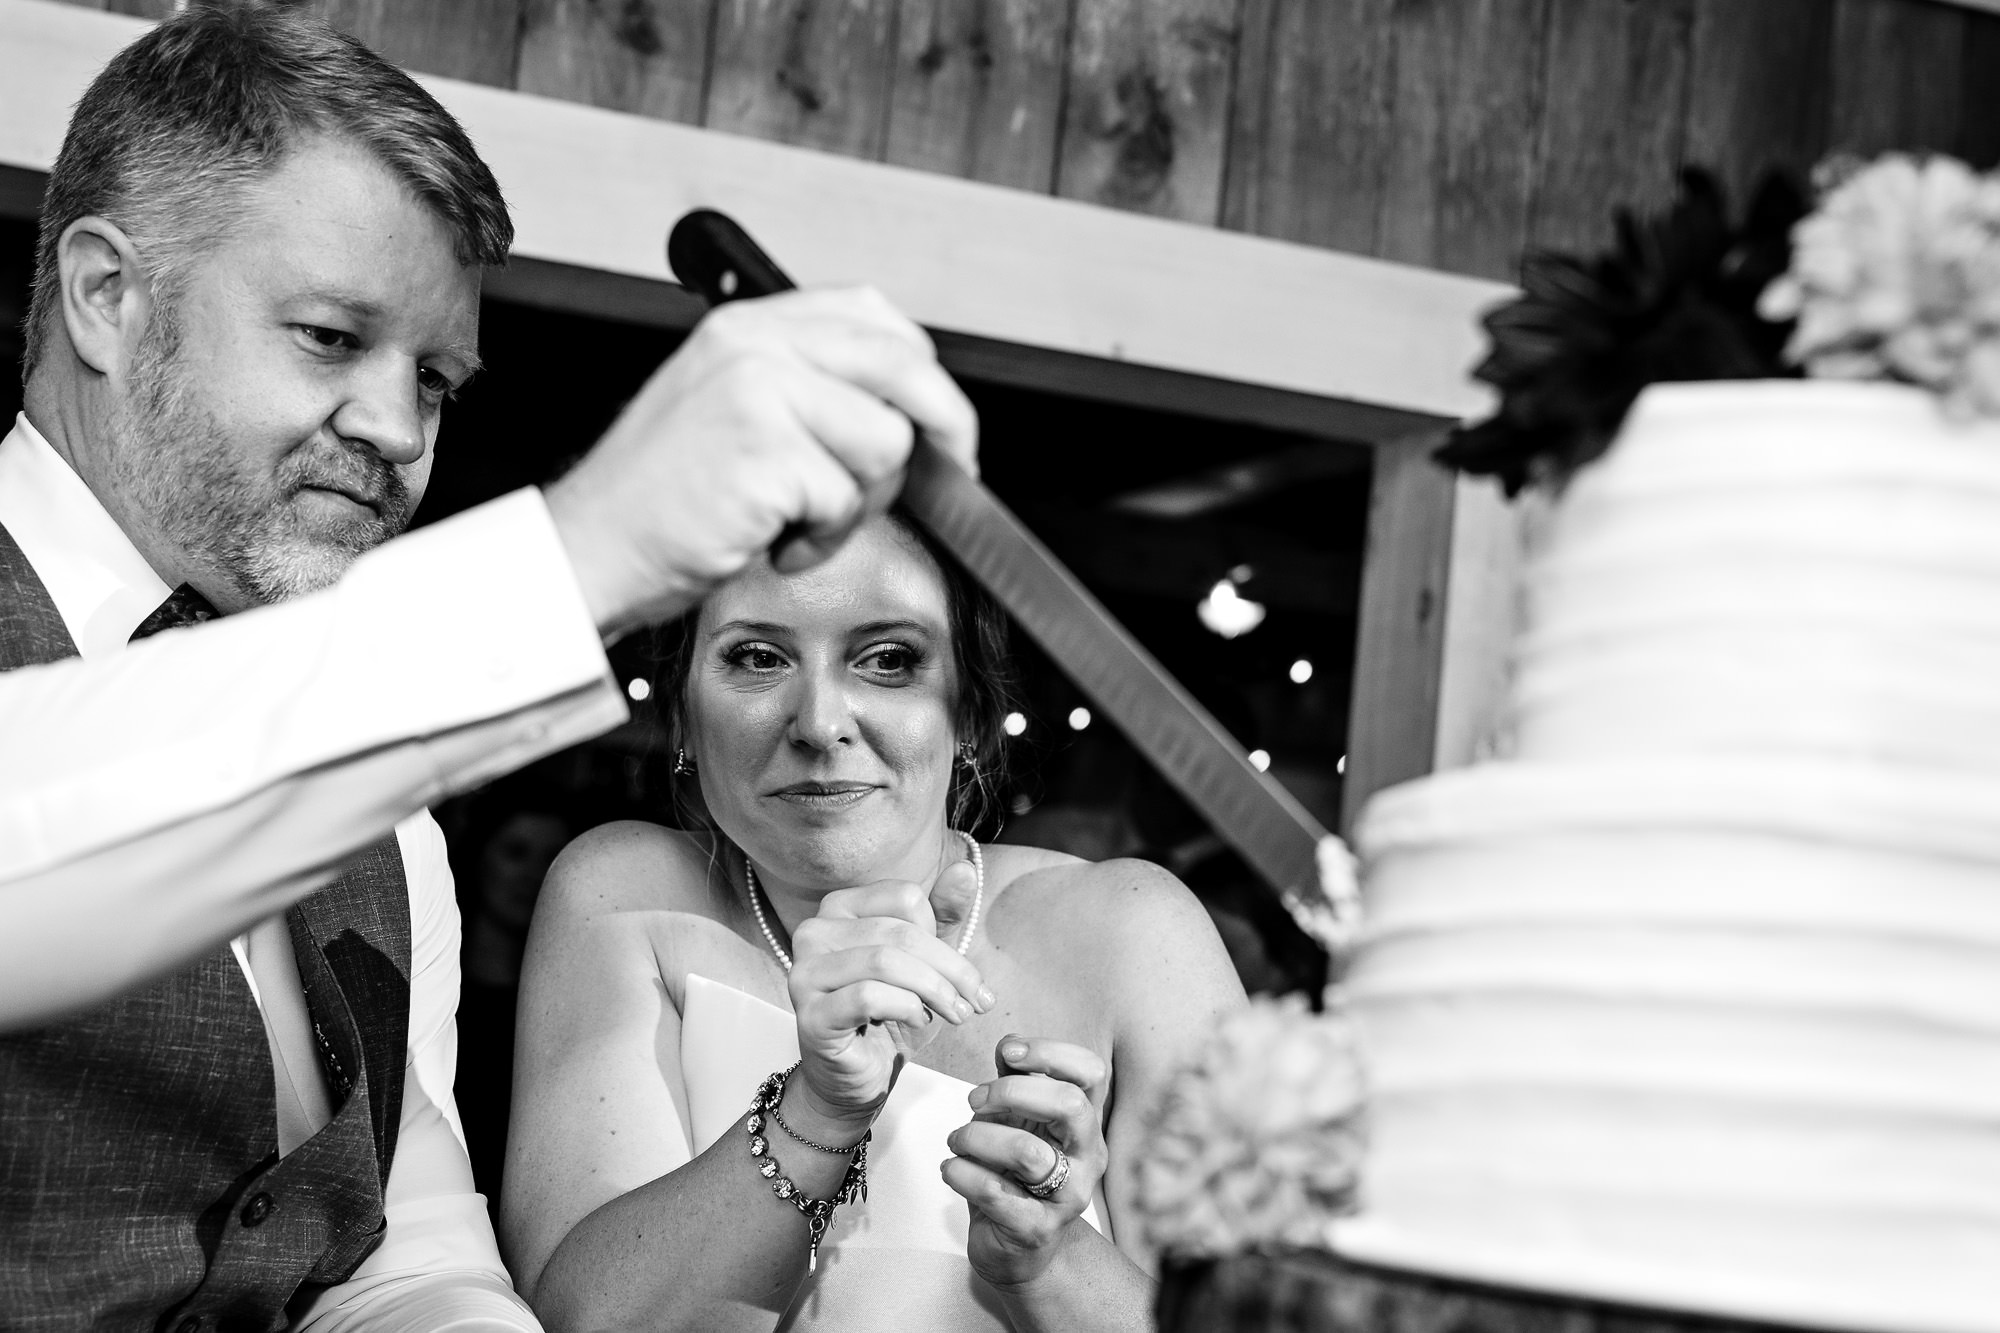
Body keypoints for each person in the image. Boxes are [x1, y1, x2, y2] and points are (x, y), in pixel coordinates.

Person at [0, 5, 973, 1330]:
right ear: (108, 297)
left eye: (439, 379)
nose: (398, 431)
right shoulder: (381, 728)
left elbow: (401, 1254)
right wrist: (597, 544)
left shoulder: (389, 813)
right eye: (333, 339)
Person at [503, 511, 1247, 1331]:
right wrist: (817, 1112)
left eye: (888, 659)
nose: (820, 723)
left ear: (968, 714)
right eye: (757, 656)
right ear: (683, 712)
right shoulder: (624, 898)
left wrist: (1052, 1260)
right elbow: (584, 1320)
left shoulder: (1131, 932)